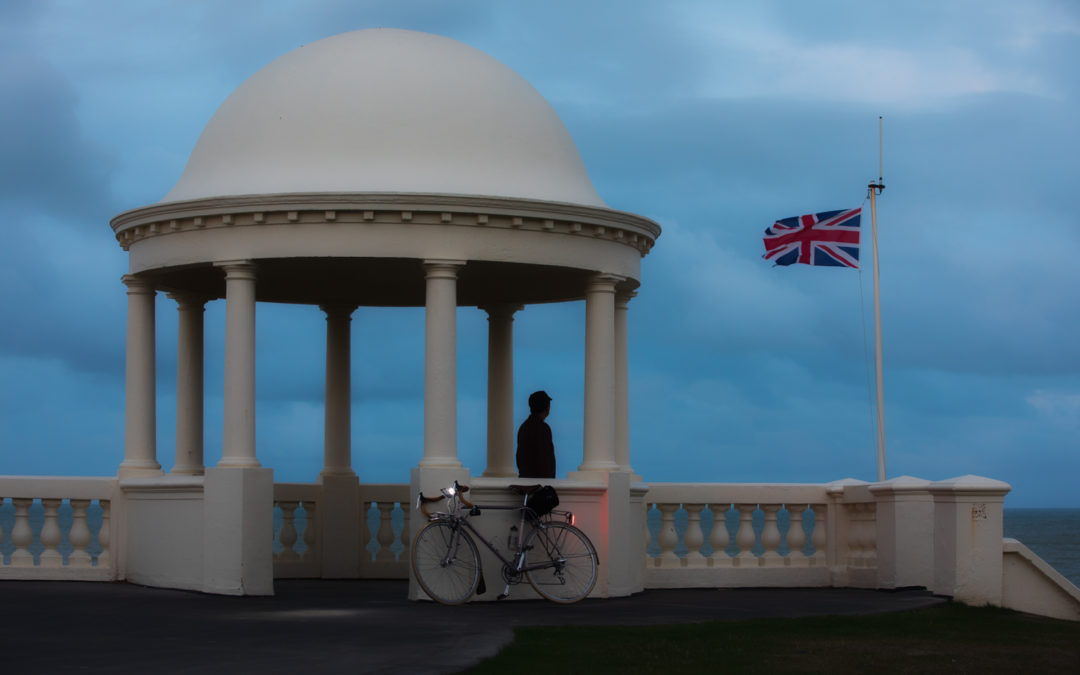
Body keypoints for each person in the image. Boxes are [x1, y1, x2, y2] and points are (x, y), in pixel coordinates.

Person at [516, 390, 555, 478]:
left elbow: (519, 458)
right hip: (541, 485)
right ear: (547, 408)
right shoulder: (544, 428)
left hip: (525, 481)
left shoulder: (523, 427)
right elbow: (546, 460)